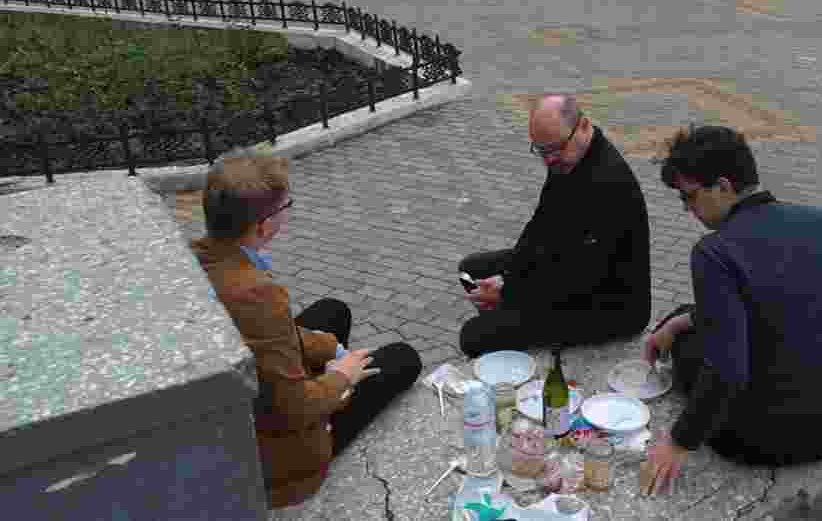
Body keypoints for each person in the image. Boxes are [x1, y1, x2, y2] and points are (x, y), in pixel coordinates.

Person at [638, 126, 822, 496]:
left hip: (760, 441)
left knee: (686, 351)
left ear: (724, 185)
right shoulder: (819, 222)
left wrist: (677, 443)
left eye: (690, 197)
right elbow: (777, 302)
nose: (688, 210)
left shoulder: (715, 252)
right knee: (685, 317)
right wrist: (682, 321)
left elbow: (727, 373)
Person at [191, 147, 421, 509]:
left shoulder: (204, 256)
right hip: (280, 456)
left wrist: (330, 348)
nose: (287, 215)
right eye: (286, 207)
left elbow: (272, 336)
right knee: (402, 359)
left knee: (333, 312)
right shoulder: (256, 294)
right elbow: (293, 407)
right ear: (264, 225)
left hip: (250, 392)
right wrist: (341, 378)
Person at [457, 95, 651, 358]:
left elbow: (581, 278)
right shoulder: (568, 158)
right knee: (472, 268)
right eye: (542, 150)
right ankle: (508, 324)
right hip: (570, 268)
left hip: (611, 305)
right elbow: (540, 227)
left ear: (583, 126)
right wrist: (509, 276)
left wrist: (512, 294)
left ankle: (512, 332)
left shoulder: (608, 184)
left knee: (474, 336)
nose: (549, 160)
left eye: (555, 149)